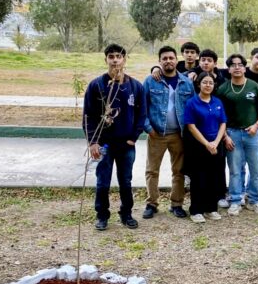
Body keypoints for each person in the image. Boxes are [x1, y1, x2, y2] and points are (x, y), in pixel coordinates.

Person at [83, 43, 146, 231]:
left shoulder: (135, 86)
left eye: (119, 56)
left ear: (124, 59)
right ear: (106, 60)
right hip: (104, 144)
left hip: (126, 144)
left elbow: (141, 114)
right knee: (103, 181)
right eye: (111, 56)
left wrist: (134, 137)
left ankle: (126, 214)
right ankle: (102, 215)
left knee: (125, 181)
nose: (115, 60)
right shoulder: (97, 86)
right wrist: (93, 142)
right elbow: (88, 116)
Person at [142, 46, 195, 219]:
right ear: (159, 61)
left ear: (176, 60)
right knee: (152, 170)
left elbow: (193, 107)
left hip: (179, 135)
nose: (168, 61)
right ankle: (152, 203)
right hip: (156, 134)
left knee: (179, 171)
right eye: (164, 58)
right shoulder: (151, 81)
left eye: (171, 58)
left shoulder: (186, 82)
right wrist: (148, 128)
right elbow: (141, 108)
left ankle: (177, 204)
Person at [216, 53, 258, 216]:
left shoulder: (254, 86)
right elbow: (219, 115)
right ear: (229, 69)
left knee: (255, 168)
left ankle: (254, 200)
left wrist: (257, 125)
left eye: (240, 64)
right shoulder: (223, 89)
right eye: (233, 65)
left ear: (244, 68)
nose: (237, 67)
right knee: (235, 169)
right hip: (232, 133)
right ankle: (235, 200)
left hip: (252, 133)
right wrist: (225, 136)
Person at [183, 71, 227, 223]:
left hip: (216, 146)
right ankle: (196, 210)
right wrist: (206, 143)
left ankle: (211, 208)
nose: (208, 85)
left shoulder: (217, 102)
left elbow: (223, 123)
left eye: (210, 83)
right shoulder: (192, 103)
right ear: (198, 84)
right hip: (198, 147)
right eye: (205, 82)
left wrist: (215, 142)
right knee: (198, 179)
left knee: (213, 178)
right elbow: (191, 126)